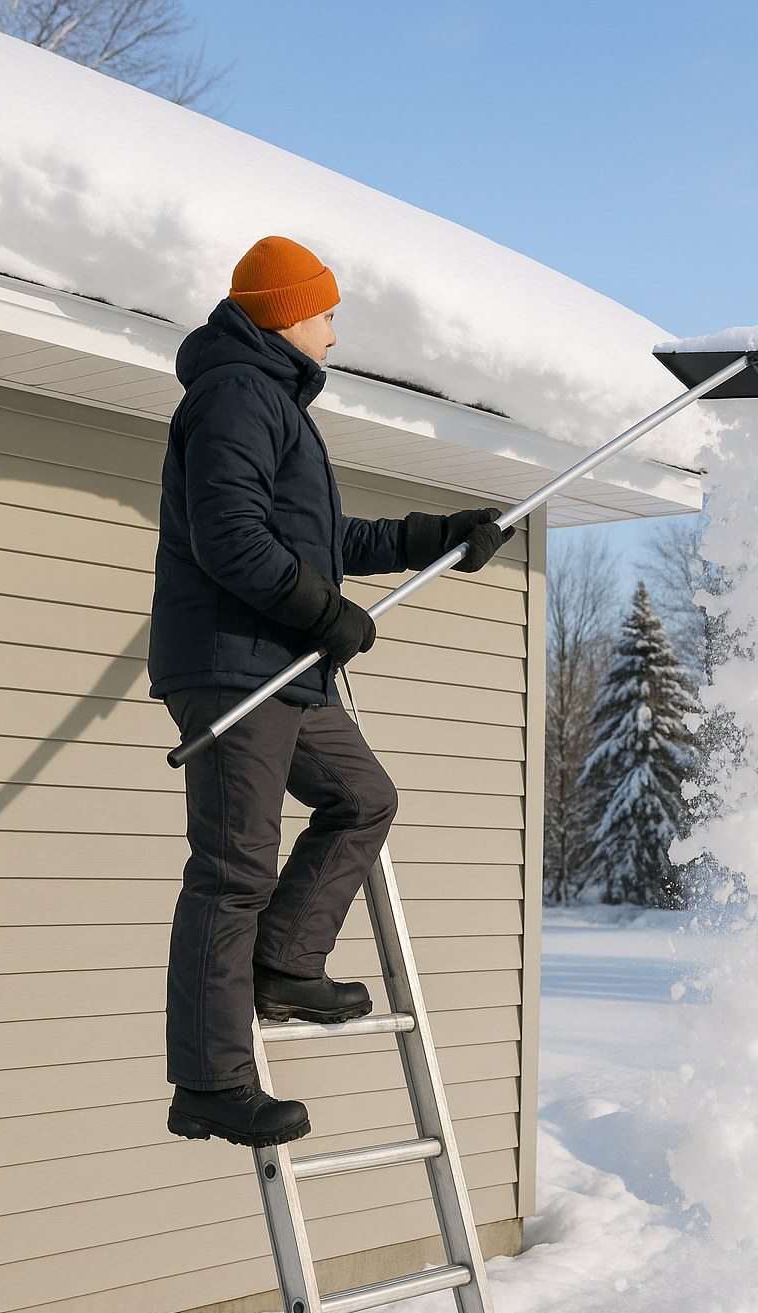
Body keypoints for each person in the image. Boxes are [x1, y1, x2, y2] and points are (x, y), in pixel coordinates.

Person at [147, 235, 511, 1149]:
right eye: (325, 314)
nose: (335, 334)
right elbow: (230, 538)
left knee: (363, 799)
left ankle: (283, 964)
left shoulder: (271, 400)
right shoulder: (236, 394)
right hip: (237, 666)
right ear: (282, 312)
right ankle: (210, 1082)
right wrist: (324, 615)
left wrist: (440, 535)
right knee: (231, 874)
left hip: (281, 667)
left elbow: (327, 541)